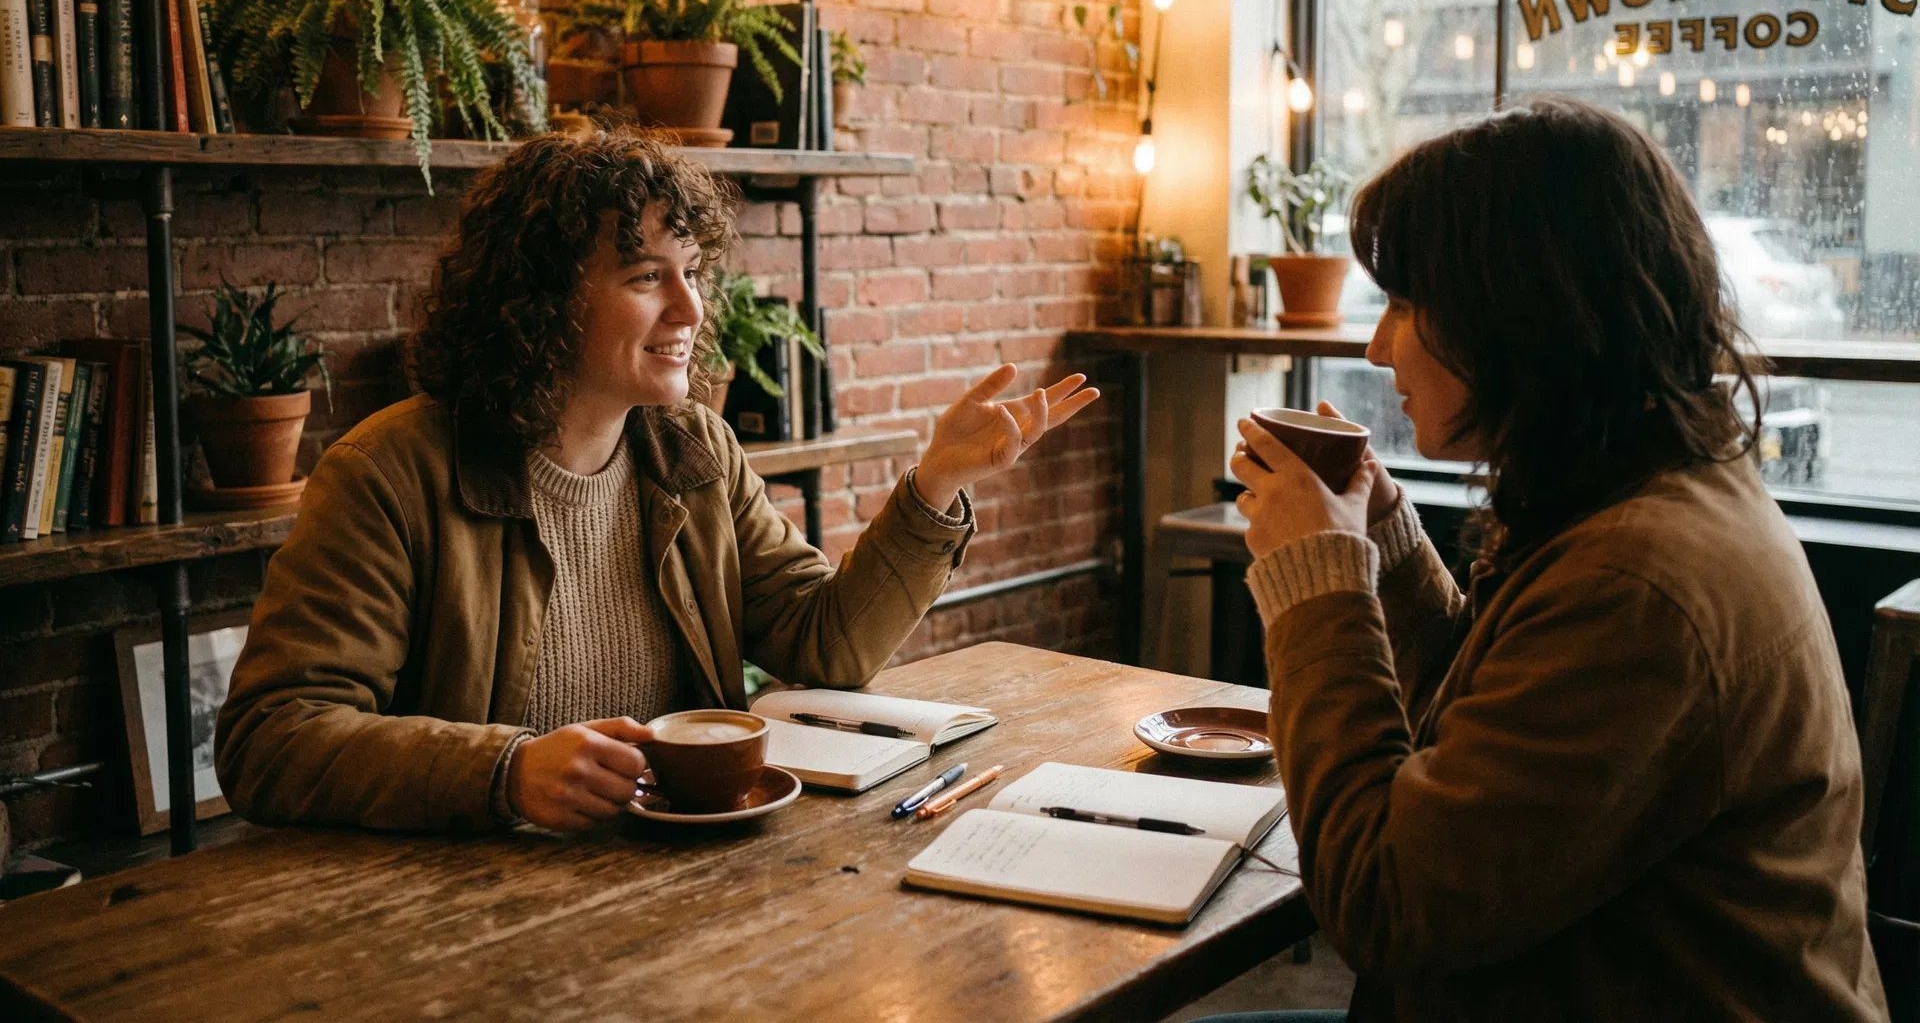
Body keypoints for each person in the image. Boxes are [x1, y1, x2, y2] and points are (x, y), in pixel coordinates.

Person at [216, 131, 1097, 834]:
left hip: (679, 874)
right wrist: (504, 772)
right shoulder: (388, 475)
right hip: (466, 908)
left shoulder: (692, 450)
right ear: (539, 301)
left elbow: (824, 644)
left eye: (694, 273)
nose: (691, 308)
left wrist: (935, 484)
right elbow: (272, 738)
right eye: (647, 278)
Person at [1216, 99, 1886, 1021]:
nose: (1376, 348)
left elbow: (1384, 904)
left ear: (1520, 313)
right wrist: (1387, 540)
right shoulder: (1654, 491)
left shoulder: (1638, 582)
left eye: (1407, 305)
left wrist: (1321, 584)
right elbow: (1489, 733)